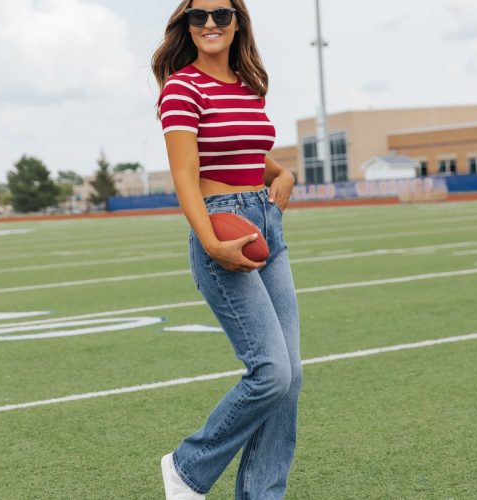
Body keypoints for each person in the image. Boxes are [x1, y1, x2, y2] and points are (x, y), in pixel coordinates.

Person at [152, 1, 302, 498]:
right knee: (270, 372)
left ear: (237, 21)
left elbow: (247, 154)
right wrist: (212, 244)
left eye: (221, 14)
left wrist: (283, 174)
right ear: (187, 26)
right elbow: (184, 175)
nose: (211, 24)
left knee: (290, 376)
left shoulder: (247, 83)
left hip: (266, 227)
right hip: (221, 228)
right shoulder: (181, 88)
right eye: (199, 16)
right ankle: (187, 468)